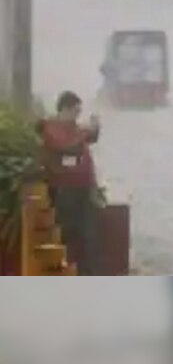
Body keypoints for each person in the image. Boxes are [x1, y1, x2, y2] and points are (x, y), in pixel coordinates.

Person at [37, 91, 101, 275]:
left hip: (84, 189)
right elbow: (66, 146)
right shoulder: (52, 128)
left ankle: (87, 275)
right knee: (67, 235)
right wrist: (84, 133)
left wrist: (95, 127)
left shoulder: (75, 129)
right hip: (64, 190)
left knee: (88, 237)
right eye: (75, 111)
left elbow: (91, 136)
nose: (77, 117)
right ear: (64, 109)